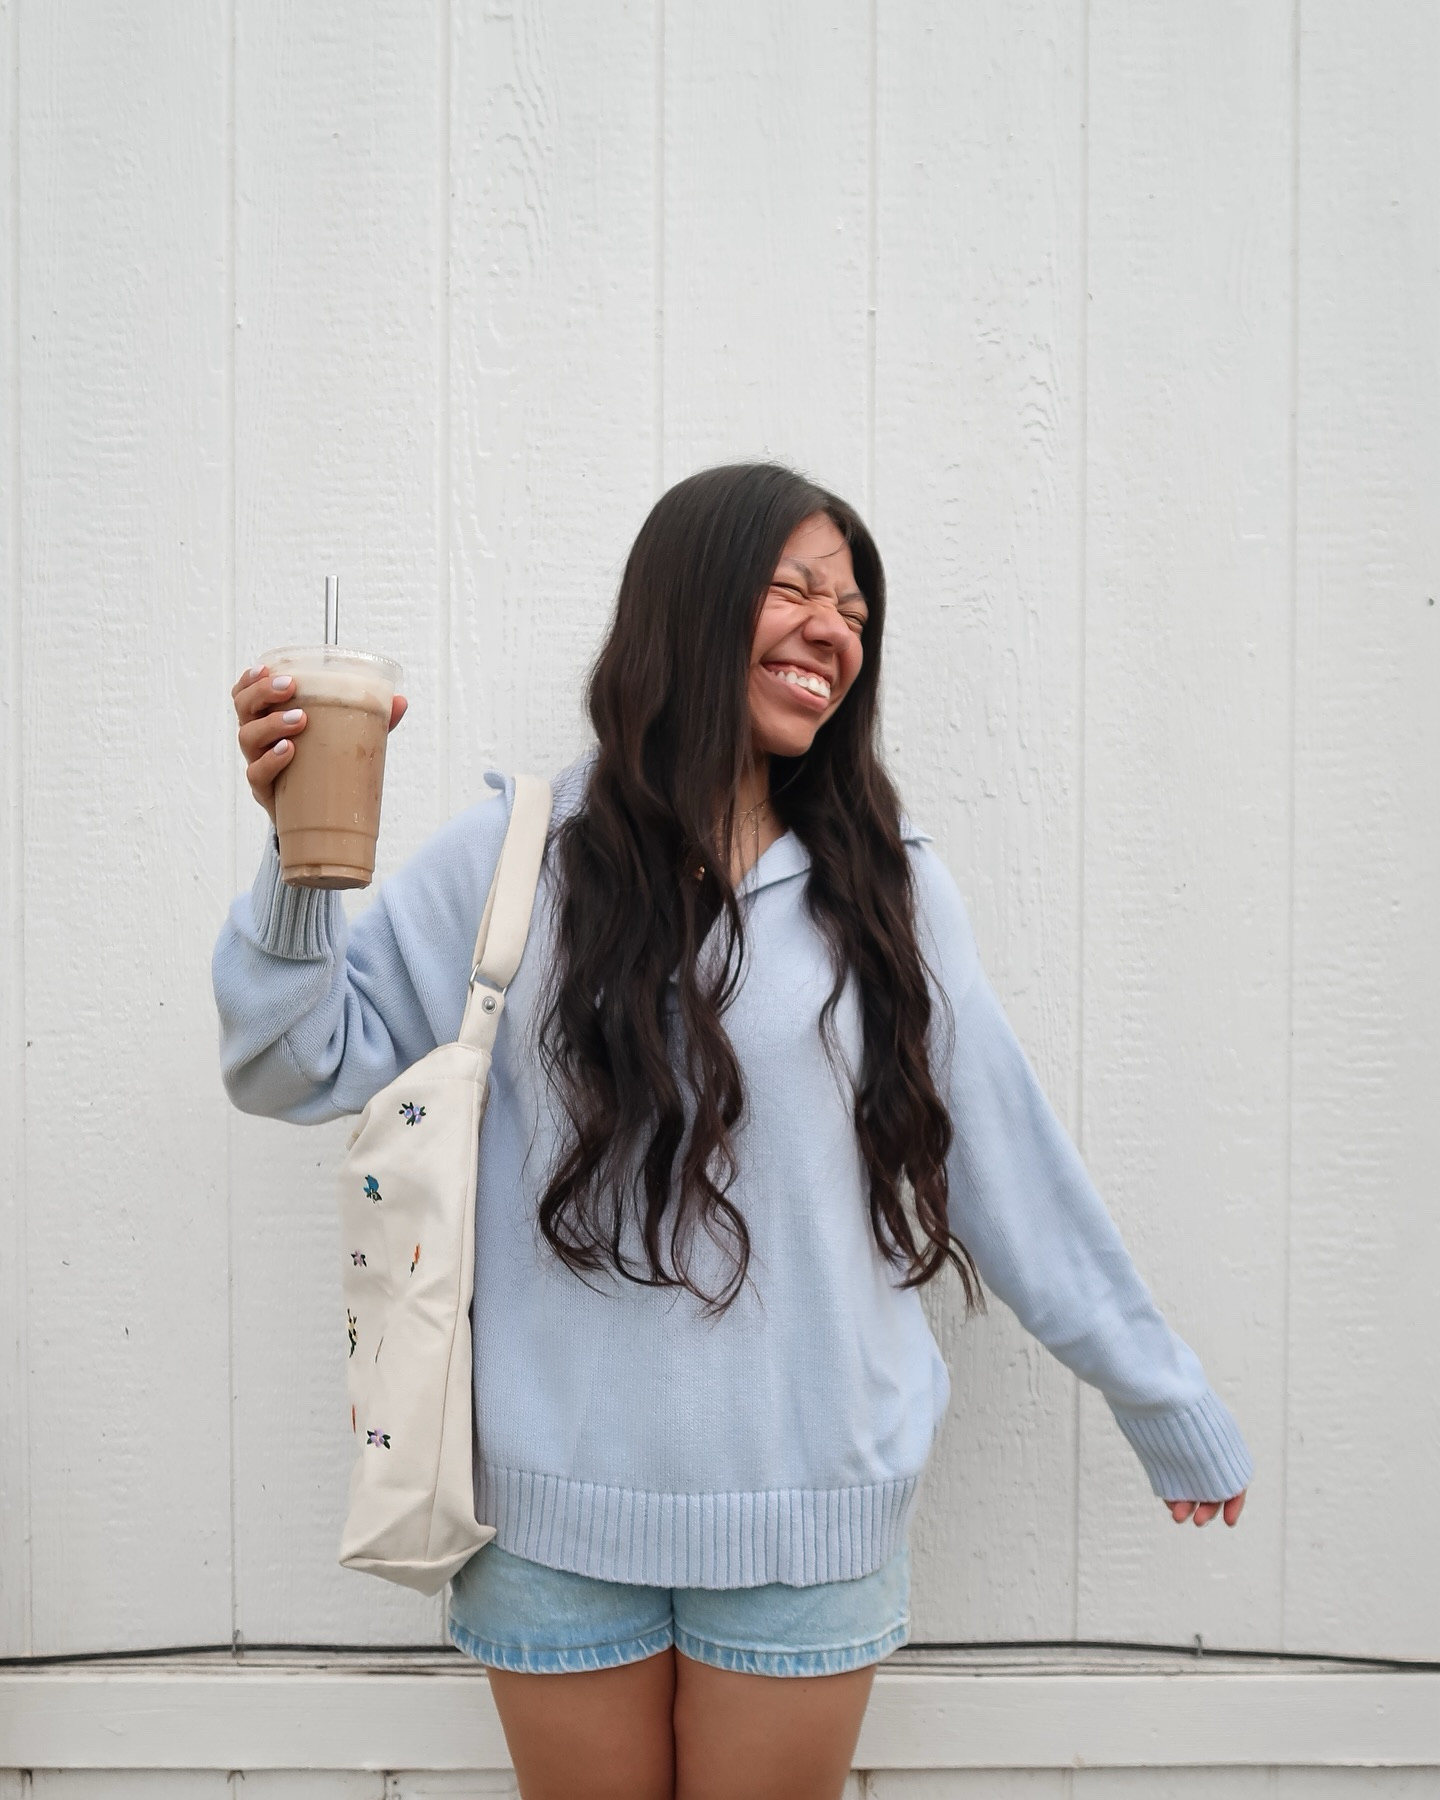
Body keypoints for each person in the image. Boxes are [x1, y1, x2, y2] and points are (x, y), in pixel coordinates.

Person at [213, 461, 1251, 1800]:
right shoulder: (515, 854)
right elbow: (289, 1065)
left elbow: (1000, 1163)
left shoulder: (891, 887)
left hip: (807, 1509)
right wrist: (299, 856)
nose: (838, 629)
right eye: (798, 589)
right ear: (689, 604)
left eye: (857, 611)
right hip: (551, 1511)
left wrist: (1158, 1392)